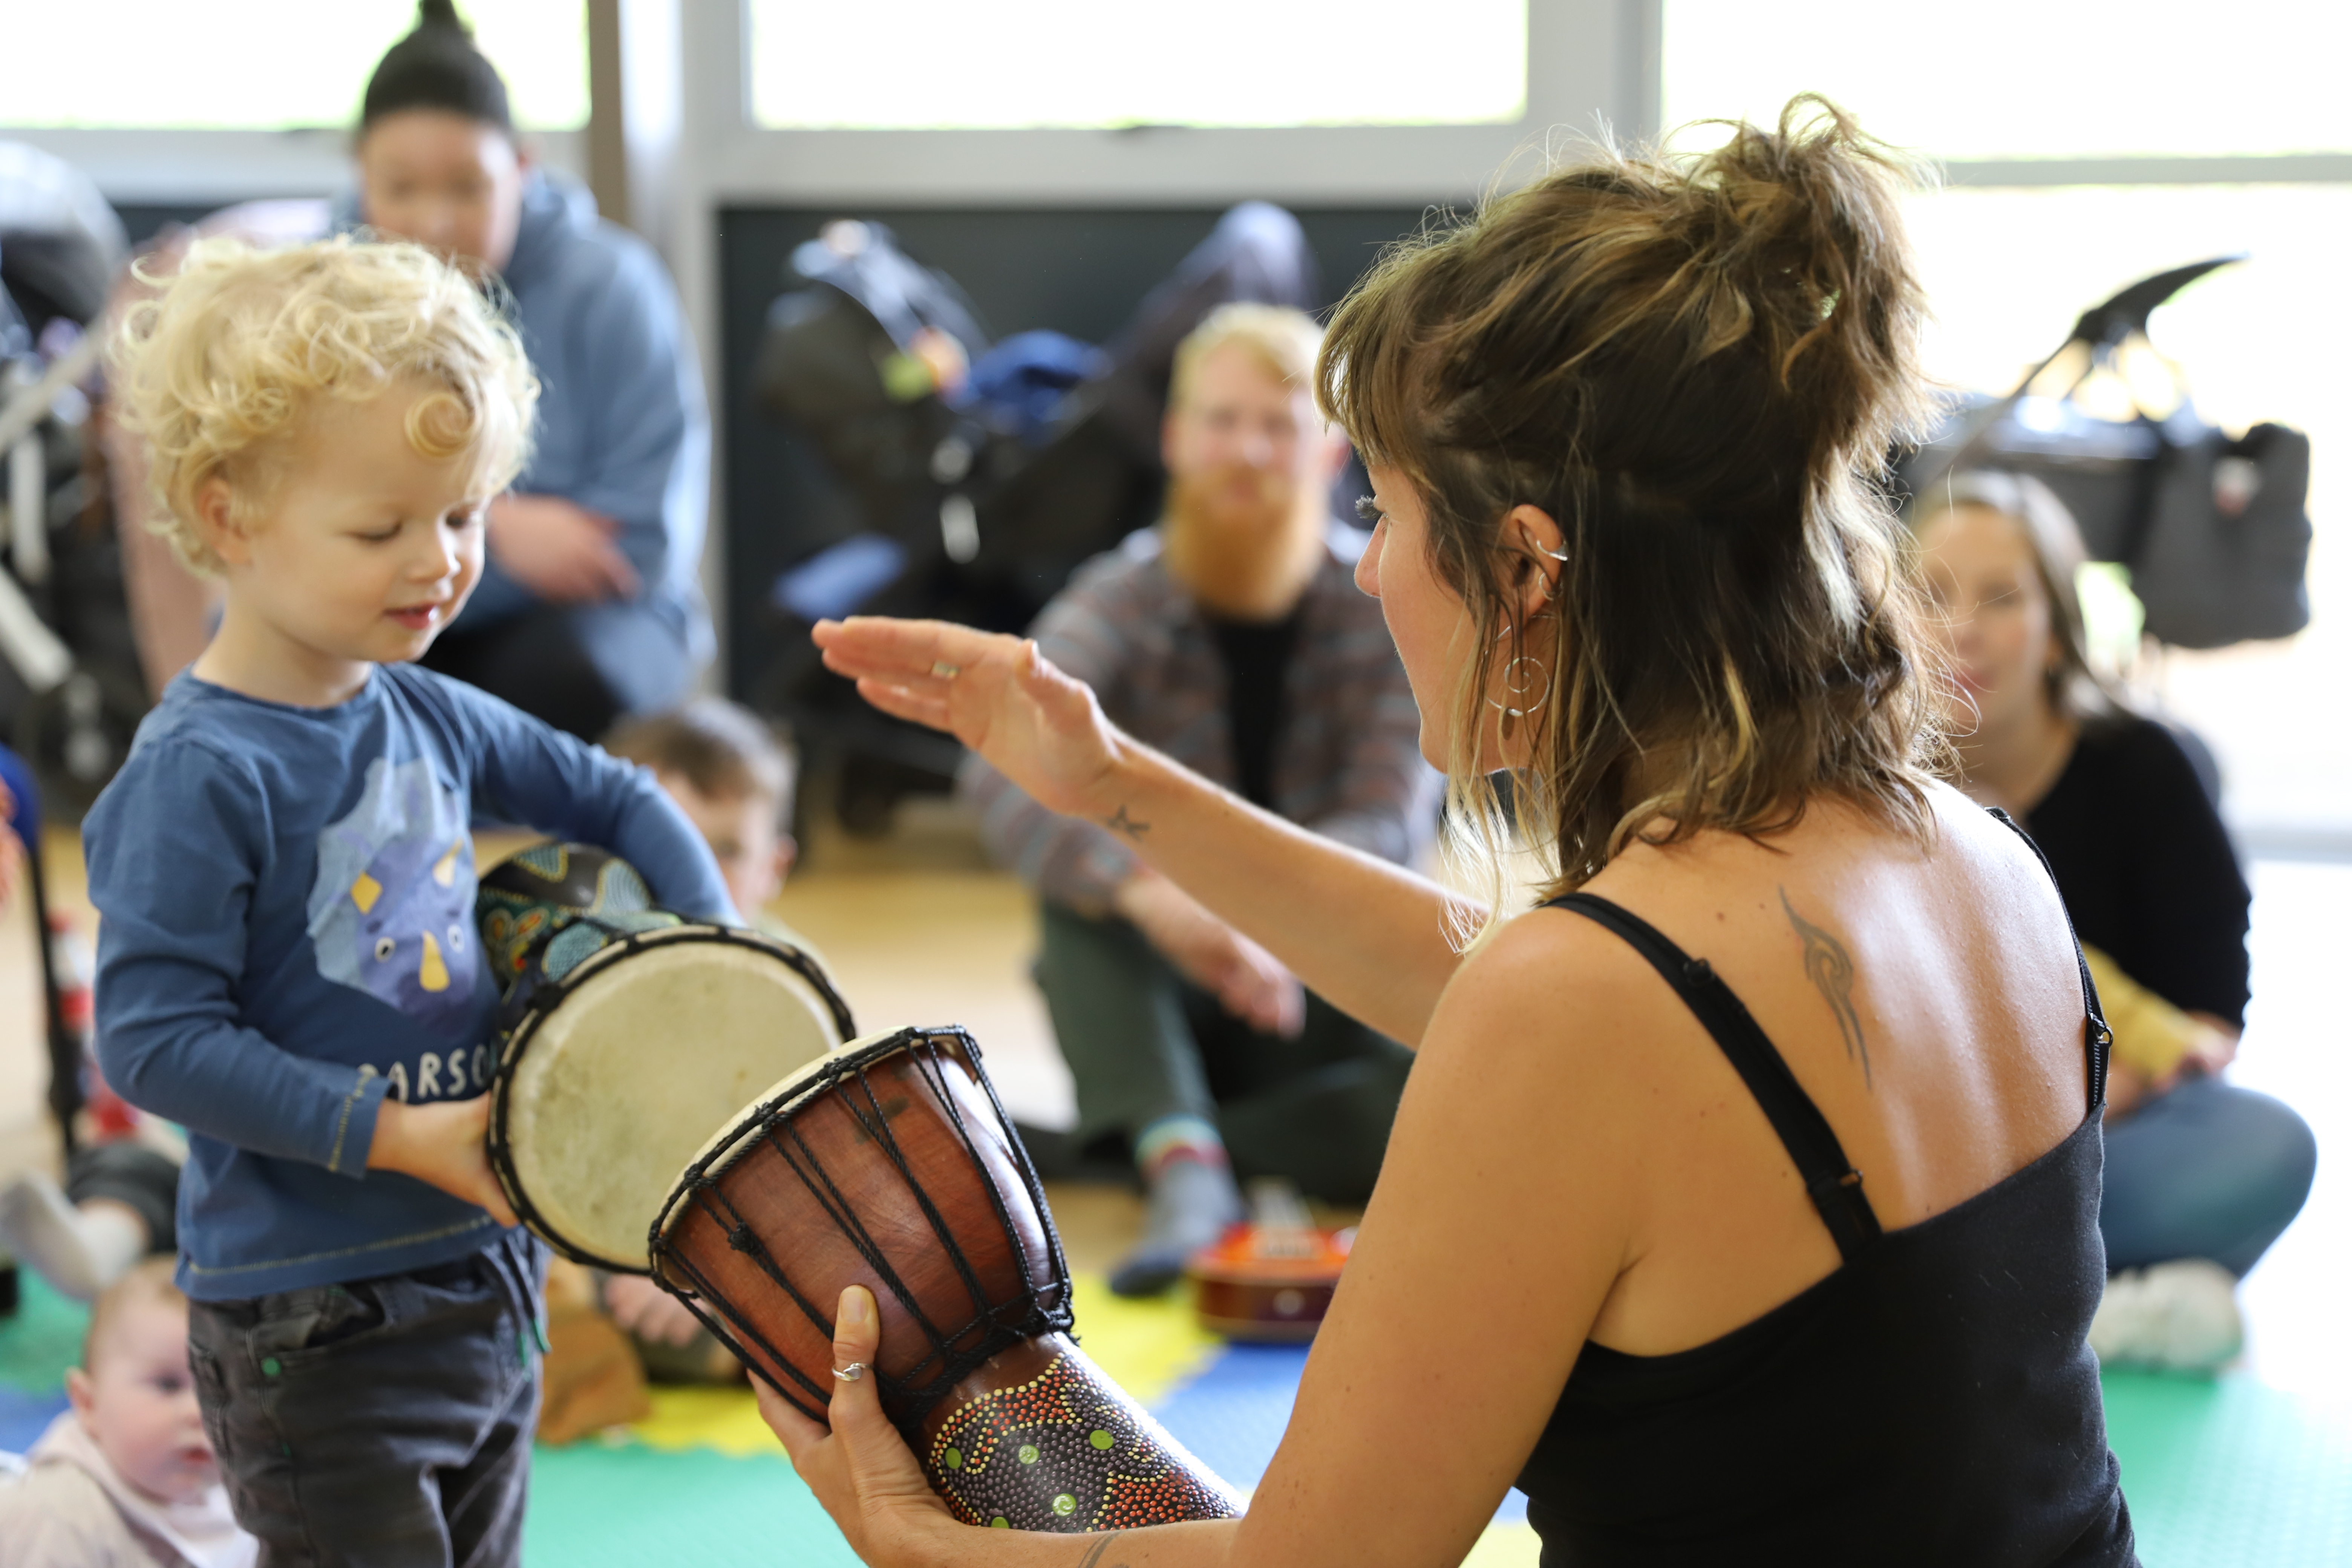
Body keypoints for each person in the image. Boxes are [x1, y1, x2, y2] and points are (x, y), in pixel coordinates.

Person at [782, 98, 2139, 1566]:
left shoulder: (1586, 1006)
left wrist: (923, 1543)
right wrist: (1116, 776)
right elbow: (1534, 1004)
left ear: (1528, 566)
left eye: (1386, 507)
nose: (1366, 568)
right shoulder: (1975, 851)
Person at [88, 234, 734, 1566]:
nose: (440, 561)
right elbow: (153, 1043)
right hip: (312, 1327)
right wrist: (401, 1135)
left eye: (463, 515)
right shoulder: (200, 775)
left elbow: (631, 801)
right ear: (229, 518)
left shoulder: (427, 712)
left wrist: (710, 968)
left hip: (489, 1281)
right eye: (381, 527)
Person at [959, 303, 1440, 1295]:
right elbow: (1000, 764)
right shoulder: (1118, 598)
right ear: (1178, 442)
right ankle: (1175, 1147)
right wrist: (1150, 896)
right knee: (1080, 888)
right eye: (1223, 422)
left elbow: (1389, 816)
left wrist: (1274, 916)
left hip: (1318, 983)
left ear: (1327, 454)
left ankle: (1174, 1150)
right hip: (1161, 984)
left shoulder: (1386, 606)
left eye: (1278, 426)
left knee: (1460, 1085)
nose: (1248, 451)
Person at [1911, 470, 2314, 1371]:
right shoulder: (1865, 790)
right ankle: (2083, 1314)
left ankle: (1986, 1318)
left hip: (2092, 1145)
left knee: (2265, 1147)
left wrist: (2091, 1096)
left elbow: (2209, 1019)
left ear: (2057, 629)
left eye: (2001, 597)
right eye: (1931, 596)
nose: (1961, 627)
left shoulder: (2147, 769)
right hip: (1924, 1155)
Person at [354, 0, 709, 738]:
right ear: (362, 178)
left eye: (466, 187)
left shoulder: (612, 284)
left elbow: (640, 544)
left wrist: (426, 538)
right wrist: (499, 526)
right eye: (401, 188)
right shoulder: (328, 289)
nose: (434, 222)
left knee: (553, 682)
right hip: (399, 601)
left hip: (586, 622)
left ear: (521, 167)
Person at [0, 1258, 256, 1566]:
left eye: (222, 1389)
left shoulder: (242, 1493)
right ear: (88, 1403)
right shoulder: (54, 1516)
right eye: (168, 1385)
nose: (199, 1413)